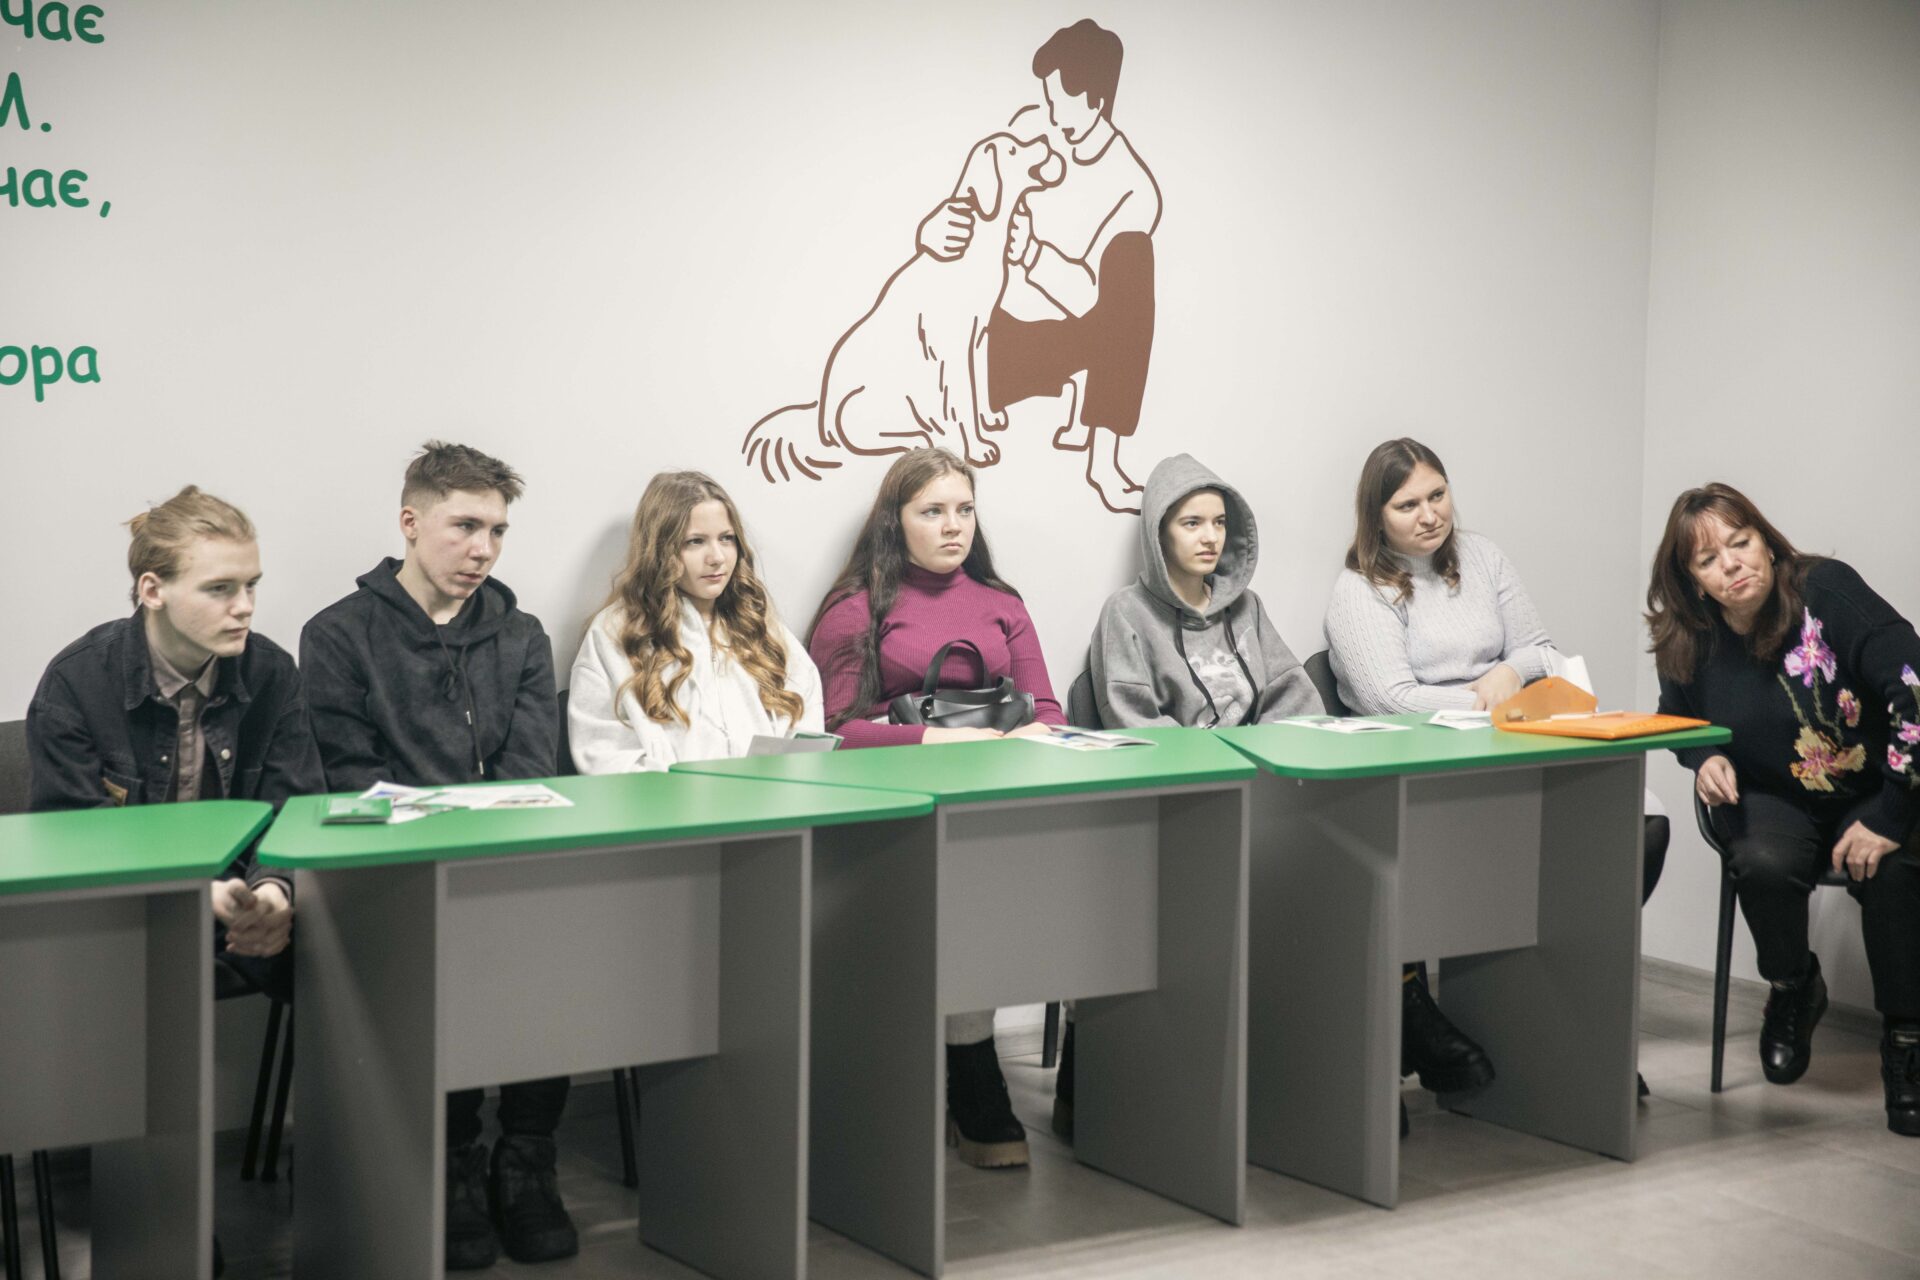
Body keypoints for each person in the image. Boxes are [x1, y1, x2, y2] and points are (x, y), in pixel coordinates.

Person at [1324, 438, 1673, 1115]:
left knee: (1644, 818)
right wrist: (1491, 704)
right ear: (1376, 517)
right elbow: (1391, 699)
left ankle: (1565, 998)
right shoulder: (1359, 589)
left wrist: (1512, 671)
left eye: (1437, 495)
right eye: (1407, 505)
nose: (1430, 515)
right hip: (1429, 763)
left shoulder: (1483, 557)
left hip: (1512, 743)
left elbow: (1542, 650)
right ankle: (1486, 1011)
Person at [28, 485, 323, 1280]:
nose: (245, 607)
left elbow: (293, 807)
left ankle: (350, 1187)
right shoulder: (78, 681)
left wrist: (277, 894)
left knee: (357, 954)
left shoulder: (271, 672)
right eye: (220, 588)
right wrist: (192, 900)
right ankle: (157, 1219)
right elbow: (72, 844)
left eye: (251, 585)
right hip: (124, 920)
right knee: (125, 977)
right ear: (151, 589)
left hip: (246, 909)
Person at [299, 441, 574, 1267]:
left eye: (497, 531)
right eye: (464, 526)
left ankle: (525, 1158)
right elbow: (350, 780)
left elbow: (531, 767)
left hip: (506, 869)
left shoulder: (520, 635)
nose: (483, 549)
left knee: (556, 939)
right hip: (399, 877)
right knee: (445, 949)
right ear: (411, 523)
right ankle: (450, 1158)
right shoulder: (338, 635)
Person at [807, 446, 1065, 1167]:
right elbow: (831, 730)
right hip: (898, 812)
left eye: (964, 510)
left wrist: (1030, 736)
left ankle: (995, 1064)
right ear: (896, 521)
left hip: (998, 798)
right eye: (933, 511)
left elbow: (1049, 709)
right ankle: (969, 1067)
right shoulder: (856, 608)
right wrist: (940, 740)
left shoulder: (1001, 602)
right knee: (965, 892)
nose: (954, 526)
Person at [1649, 483, 1920, 1135]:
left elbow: (1914, 688)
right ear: (1693, 581)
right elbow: (1675, 719)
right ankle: (1794, 985)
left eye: (1740, 543)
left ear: (1766, 543)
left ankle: (1907, 1038)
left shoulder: (1827, 592)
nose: (1731, 565)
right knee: (1763, 862)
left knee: (1895, 872)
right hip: (1771, 791)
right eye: (1708, 560)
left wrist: (1889, 816)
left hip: (1875, 787)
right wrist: (1702, 756)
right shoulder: (1688, 634)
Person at [1062, 454, 1320, 1136]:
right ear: (1159, 533)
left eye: (1219, 523)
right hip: (1176, 805)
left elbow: (1296, 697)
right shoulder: (1126, 613)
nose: (1209, 537)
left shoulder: (1248, 610)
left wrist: (1264, 757)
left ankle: (1305, 1076)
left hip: (1258, 793)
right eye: (1191, 523)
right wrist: (1224, 760)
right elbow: (1133, 720)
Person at [917, 18, 1160, 513]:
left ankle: (1104, 461)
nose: (1049, 115)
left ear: (1096, 100)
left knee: (1135, 256)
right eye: (1047, 100)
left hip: (1076, 341)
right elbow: (969, 200)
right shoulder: (1030, 127)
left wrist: (1032, 254)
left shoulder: (1134, 188)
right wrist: (932, 230)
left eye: (1060, 102)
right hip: (996, 339)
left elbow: (1097, 300)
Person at [568, 471, 823, 772]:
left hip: (768, 800)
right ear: (660, 550)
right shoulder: (614, 633)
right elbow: (602, 753)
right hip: (668, 802)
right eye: (695, 542)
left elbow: (806, 721)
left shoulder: (760, 624)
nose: (717, 557)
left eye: (726, 538)